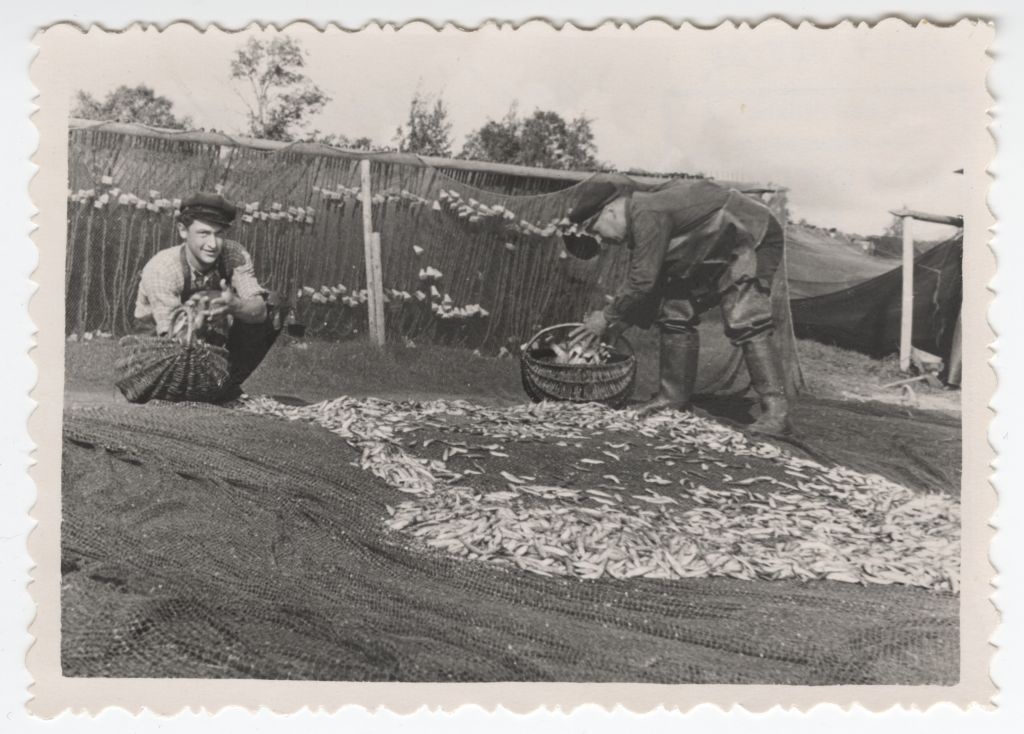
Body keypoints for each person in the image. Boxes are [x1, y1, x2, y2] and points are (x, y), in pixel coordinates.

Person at [563, 174, 793, 436]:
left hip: (753, 234)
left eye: (596, 230)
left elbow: (643, 282)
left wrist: (604, 318)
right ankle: (673, 399)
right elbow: (654, 287)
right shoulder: (645, 211)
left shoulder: (646, 212)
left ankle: (777, 413)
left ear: (611, 211)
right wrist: (619, 323)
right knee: (674, 310)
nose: (601, 240)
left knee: (746, 318)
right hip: (713, 244)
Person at [133, 191, 287, 400]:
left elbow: (260, 312)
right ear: (183, 230)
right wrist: (197, 319)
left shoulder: (234, 255)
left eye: (219, 234)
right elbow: (171, 340)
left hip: (204, 345)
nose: (213, 244)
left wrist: (234, 306)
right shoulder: (163, 267)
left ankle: (223, 385)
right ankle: (193, 390)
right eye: (204, 233)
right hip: (158, 355)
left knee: (275, 306)